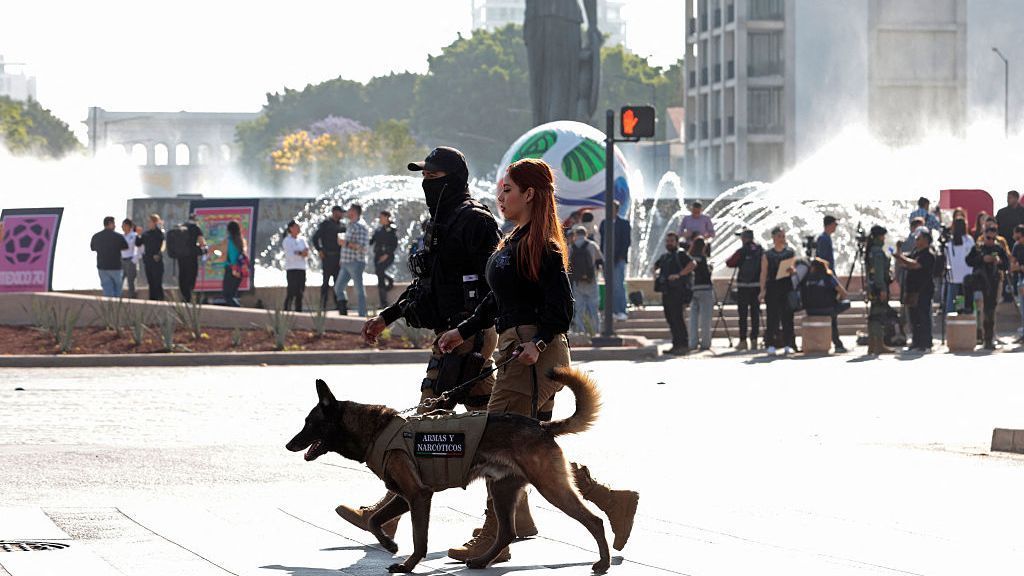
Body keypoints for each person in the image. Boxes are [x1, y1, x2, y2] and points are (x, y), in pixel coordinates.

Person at [437, 157, 639, 562]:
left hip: (532, 354)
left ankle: (496, 537)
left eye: (508, 190)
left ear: (529, 194)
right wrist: (463, 330)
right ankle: (610, 502)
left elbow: (562, 306)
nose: (500, 196)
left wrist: (538, 342)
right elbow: (498, 301)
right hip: (519, 347)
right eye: (500, 189)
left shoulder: (542, 245)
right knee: (531, 444)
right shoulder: (513, 241)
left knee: (493, 439)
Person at [341, 146, 502, 543]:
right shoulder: (440, 223)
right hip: (453, 333)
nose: (426, 184)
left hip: (466, 338)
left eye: (433, 177)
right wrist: (388, 316)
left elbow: (496, 284)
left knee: (423, 422)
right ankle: (536, 510)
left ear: (452, 180)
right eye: (424, 177)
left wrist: (470, 334)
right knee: (500, 431)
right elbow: (426, 286)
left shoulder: (476, 222)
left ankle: (386, 514)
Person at [965, 223, 1010, 350]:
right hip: (979, 281)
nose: (990, 241)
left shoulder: (998, 249)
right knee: (967, 283)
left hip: (993, 282)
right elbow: (968, 261)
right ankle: (967, 308)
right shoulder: (978, 248)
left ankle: (988, 339)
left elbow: (1006, 265)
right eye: (988, 238)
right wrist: (982, 259)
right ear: (984, 236)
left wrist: (998, 261)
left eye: (992, 238)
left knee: (990, 312)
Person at [894, 230, 936, 351]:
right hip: (912, 290)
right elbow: (904, 263)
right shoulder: (915, 252)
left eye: (919, 239)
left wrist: (901, 257)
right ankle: (916, 341)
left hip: (923, 290)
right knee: (914, 318)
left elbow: (915, 265)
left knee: (923, 317)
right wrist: (899, 251)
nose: (916, 241)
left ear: (926, 241)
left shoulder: (928, 254)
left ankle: (925, 342)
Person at [654, 231, 695, 355]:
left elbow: (693, 264)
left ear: (676, 242)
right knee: (670, 318)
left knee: (678, 318)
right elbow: (655, 267)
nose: (669, 243)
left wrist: (679, 275)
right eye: (667, 241)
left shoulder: (681, 254)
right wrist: (656, 275)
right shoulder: (665, 257)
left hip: (678, 291)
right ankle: (676, 344)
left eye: (672, 241)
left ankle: (683, 344)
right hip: (667, 291)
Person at [759, 227, 797, 355]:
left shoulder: (790, 252)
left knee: (788, 317)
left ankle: (788, 343)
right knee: (772, 317)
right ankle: (771, 344)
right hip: (773, 288)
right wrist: (762, 290)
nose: (782, 239)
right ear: (773, 238)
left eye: (783, 236)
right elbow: (764, 273)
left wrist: (792, 271)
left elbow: (793, 268)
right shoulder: (768, 254)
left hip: (786, 286)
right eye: (779, 236)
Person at [725, 229, 763, 351]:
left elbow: (730, 263)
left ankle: (743, 341)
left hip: (743, 286)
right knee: (755, 313)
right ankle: (754, 340)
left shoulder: (742, 251)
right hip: (757, 286)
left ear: (744, 238)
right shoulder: (760, 250)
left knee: (743, 314)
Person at [801, 258, 849, 351]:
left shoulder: (806, 279)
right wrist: (837, 300)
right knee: (834, 315)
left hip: (810, 310)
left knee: (831, 312)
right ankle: (838, 345)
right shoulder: (828, 277)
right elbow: (844, 293)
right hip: (827, 309)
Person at [815, 216, 845, 351]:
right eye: (835, 224)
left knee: (833, 313)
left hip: (828, 277)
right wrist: (832, 280)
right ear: (829, 224)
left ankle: (836, 340)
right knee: (832, 312)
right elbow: (823, 262)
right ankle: (836, 341)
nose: (836, 227)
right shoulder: (824, 239)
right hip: (827, 280)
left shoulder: (825, 238)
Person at [599, 200, 631, 321]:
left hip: (618, 260)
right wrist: (601, 258)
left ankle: (621, 311)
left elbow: (626, 242)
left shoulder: (624, 223)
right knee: (609, 286)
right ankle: (611, 311)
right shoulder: (604, 223)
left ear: (617, 210)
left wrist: (620, 257)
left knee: (618, 285)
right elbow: (603, 242)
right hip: (606, 260)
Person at [335, 203, 369, 316]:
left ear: (354, 212)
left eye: (349, 210)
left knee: (359, 290)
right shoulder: (351, 225)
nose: (346, 212)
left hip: (356, 262)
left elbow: (363, 248)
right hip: (345, 263)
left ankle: (362, 314)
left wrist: (345, 243)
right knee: (338, 288)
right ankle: (343, 312)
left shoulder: (361, 226)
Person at [865, 225, 894, 354]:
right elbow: (879, 273)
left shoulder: (871, 250)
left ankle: (873, 345)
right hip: (878, 287)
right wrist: (882, 288)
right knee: (878, 316)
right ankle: (878, 344)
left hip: (873, 287)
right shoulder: (877, 252)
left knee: (874, 316)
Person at [568, 225, 603, 334]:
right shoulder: (592, 245)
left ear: (576, 235)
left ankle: (581, 331)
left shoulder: (571, 247)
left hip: (578, 282)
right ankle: (595, 331)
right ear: (586, 234)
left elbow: (567, 265)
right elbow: (600, 260)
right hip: (591, 280)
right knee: (593, 307)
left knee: (579, 308)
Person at [311, 205, 345, 310]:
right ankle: (322, 306)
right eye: (340, 212)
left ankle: (338, 305)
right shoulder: (325, 224)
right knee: (325, 281)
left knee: (338, 282)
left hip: (338, 258)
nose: (342, 215)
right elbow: (315, 238)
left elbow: (344, 243)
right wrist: (319, 250)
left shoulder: (342, 226)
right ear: (335, 212)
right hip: (328, 256)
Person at [91, 216, 129, 298]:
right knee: (117, 290)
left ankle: (108, 308)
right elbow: (125, 247)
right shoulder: (118, 237)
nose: (115, 226)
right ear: (110, 224)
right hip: (116, 267)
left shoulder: (96, 236)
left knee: (107, 290)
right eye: (114, 223)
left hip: (102, 267)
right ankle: (117, 308)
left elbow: (92, 248)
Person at [688, 236, 714, 351]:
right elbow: (706, 274)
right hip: (705, 289)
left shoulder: (690, 258)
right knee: (705, 318)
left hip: (694, 289)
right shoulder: (703, 259)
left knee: (693, 318)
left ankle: (692, 342)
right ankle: (705, 343)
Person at [173, 213, 206, 303]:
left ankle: (183, 296)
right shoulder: (196, 228)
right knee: (191, 276)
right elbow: (202, 242)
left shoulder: (181, 227)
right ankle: (189, 297)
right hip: (191, 256)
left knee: (182, 275)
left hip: (181, 257)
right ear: (195, 220)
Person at [943, 217, 974, 313]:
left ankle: (951, 320)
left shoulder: (949, 241)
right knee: (966, 300)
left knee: (952, 301)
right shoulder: (969, 240)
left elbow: (946, 257)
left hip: (954, 276)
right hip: (967, 275)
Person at [370, 210, 398, 308]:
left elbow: (394, 244)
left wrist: (386, 254)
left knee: (379, 271)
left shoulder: (392, 229)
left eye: (381, 217)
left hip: (388, 256)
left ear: (387, 217)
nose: (380, 219)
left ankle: (384, 301)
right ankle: (383, 302)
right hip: (378, 256)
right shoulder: (378, 230)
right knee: (379, 275)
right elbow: (371, 241)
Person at [135, 214, 165, 301]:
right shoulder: (146, 234)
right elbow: (138, 243)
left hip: (157, 261)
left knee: (157, 282)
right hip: (148, 261)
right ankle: (152, 299)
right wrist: (138, 235)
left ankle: (160, 299)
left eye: (150, 221)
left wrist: (159, 254)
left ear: (154, 222)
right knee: (150, 282)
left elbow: (163, 245)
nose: (148, 223)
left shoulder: (160, 233)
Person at [282, 220, 309, 312]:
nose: (298, 228)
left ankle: (299, 311)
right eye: (296, 226)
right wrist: (300, 253)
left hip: (302, 268)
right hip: (292, 268)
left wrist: (299, 253)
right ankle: (286, 310)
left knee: (300, 292)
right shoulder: (287, 240)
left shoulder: (302, 239)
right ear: (291, 228)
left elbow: (306, 252)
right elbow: (290, 255)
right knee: (291, 291)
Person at [220, 220, 247, 307]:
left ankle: (240, 311)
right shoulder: (241, 240)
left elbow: (229, 257)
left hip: (231, 269)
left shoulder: (229, 241)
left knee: (227, 295)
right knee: (232, 294)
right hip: (239, 269)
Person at [1010, 224, 1024, 342]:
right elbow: (1013, 265)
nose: (1017, 240)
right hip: (1020, 280)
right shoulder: (1016, 246)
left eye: (1019, 238)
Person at [120, 218, 140, 298]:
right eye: (122, 226)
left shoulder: (134, 236)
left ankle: (133, 297)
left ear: (129, 226)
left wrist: (134, 260)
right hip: (122, 260)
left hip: (130, 260)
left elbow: (137, 248)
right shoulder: (121, 236)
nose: (123, 227)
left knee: (130, 281)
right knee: (120, 280)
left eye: (125, 225)